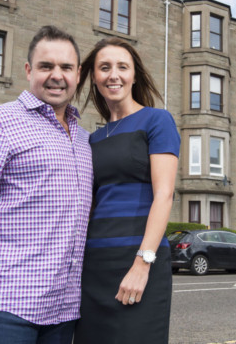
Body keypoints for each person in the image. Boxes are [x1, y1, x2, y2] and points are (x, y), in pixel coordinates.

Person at [0, 25, 93, 343]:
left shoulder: (84, 139)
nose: (56, 75)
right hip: (7, 307)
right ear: (28, 70)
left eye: (65, 67)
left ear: (78, 74)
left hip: (64, 310)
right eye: (45, 66)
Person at [73, 37, 179, 344]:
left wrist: (141, 264)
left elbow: (164, 195)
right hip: (94, 265)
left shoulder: (157, 120)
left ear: (134, 75)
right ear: (93, 76)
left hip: (137, 259)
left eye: (122, 67)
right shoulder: (92, 138)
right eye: (104, 67)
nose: (113, 74)